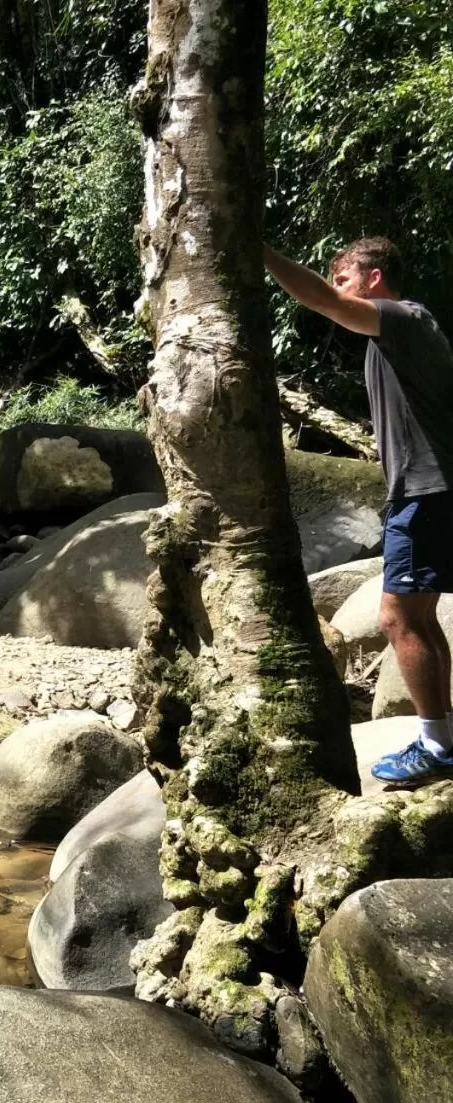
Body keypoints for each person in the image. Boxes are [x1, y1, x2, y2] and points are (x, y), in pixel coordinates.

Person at [266, 237, 453, 784]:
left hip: (425, 492)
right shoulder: (398, 334)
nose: (338, 288)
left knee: (397, 618)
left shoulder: (403, 318)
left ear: (374, 279)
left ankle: (437, 747)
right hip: (428, 490)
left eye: (345, 277)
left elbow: (325, 302)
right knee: (419, 617)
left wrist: (260, 252)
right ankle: (442, 736)